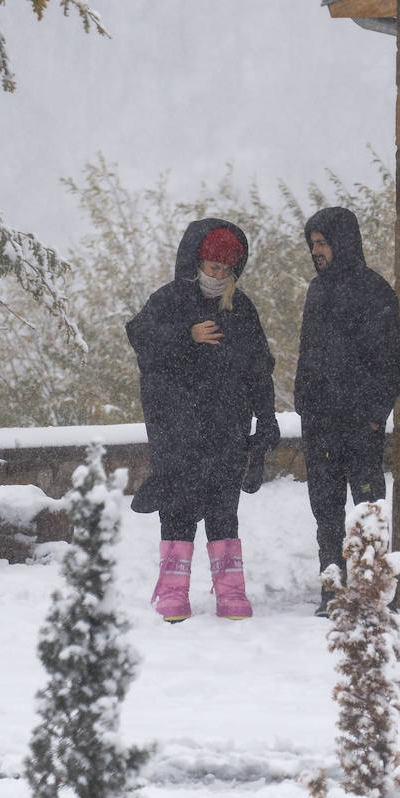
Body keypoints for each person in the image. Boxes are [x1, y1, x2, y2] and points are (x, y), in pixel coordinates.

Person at [127, 219, 280, 622]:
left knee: (223, 508)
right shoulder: (168, 301)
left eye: (224, 269)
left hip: (226, 428)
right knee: (177, 506)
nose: (216, 275)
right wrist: (185, 335)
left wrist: (265, 420)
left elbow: (259, 369)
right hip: (178, 431)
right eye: (211, 266)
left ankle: (231, 591)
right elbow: (142, 341)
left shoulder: (241, 308)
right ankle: (173, 593)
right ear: (196, 261)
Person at [295, 206, 400, 617]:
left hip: (360, 422)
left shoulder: (375, 292)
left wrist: (375, 413)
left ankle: (371, 587)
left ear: (342, 242)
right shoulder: (317, 290)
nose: (316, 251)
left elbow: (392, 361)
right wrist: (304, 403)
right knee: (325, 509)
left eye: (322, 243)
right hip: (321, 422)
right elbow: (309, 355)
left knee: (367, 509)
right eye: (312, 244)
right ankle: (333, 588)